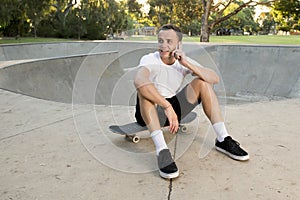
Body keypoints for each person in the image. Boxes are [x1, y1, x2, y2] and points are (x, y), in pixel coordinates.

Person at [134, 24, 249, 179]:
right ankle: (162, 151)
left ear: (178, 44)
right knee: (144, 90)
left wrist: (186, 63)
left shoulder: (182, 61)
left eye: (169, 41)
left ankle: (223, 138)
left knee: (203, 83)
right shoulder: (149, 59)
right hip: (149, 111)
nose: (163, 45)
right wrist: (166, 106)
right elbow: (139, 80)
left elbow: (214, 78)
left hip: (174, 109)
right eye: (160, 40)